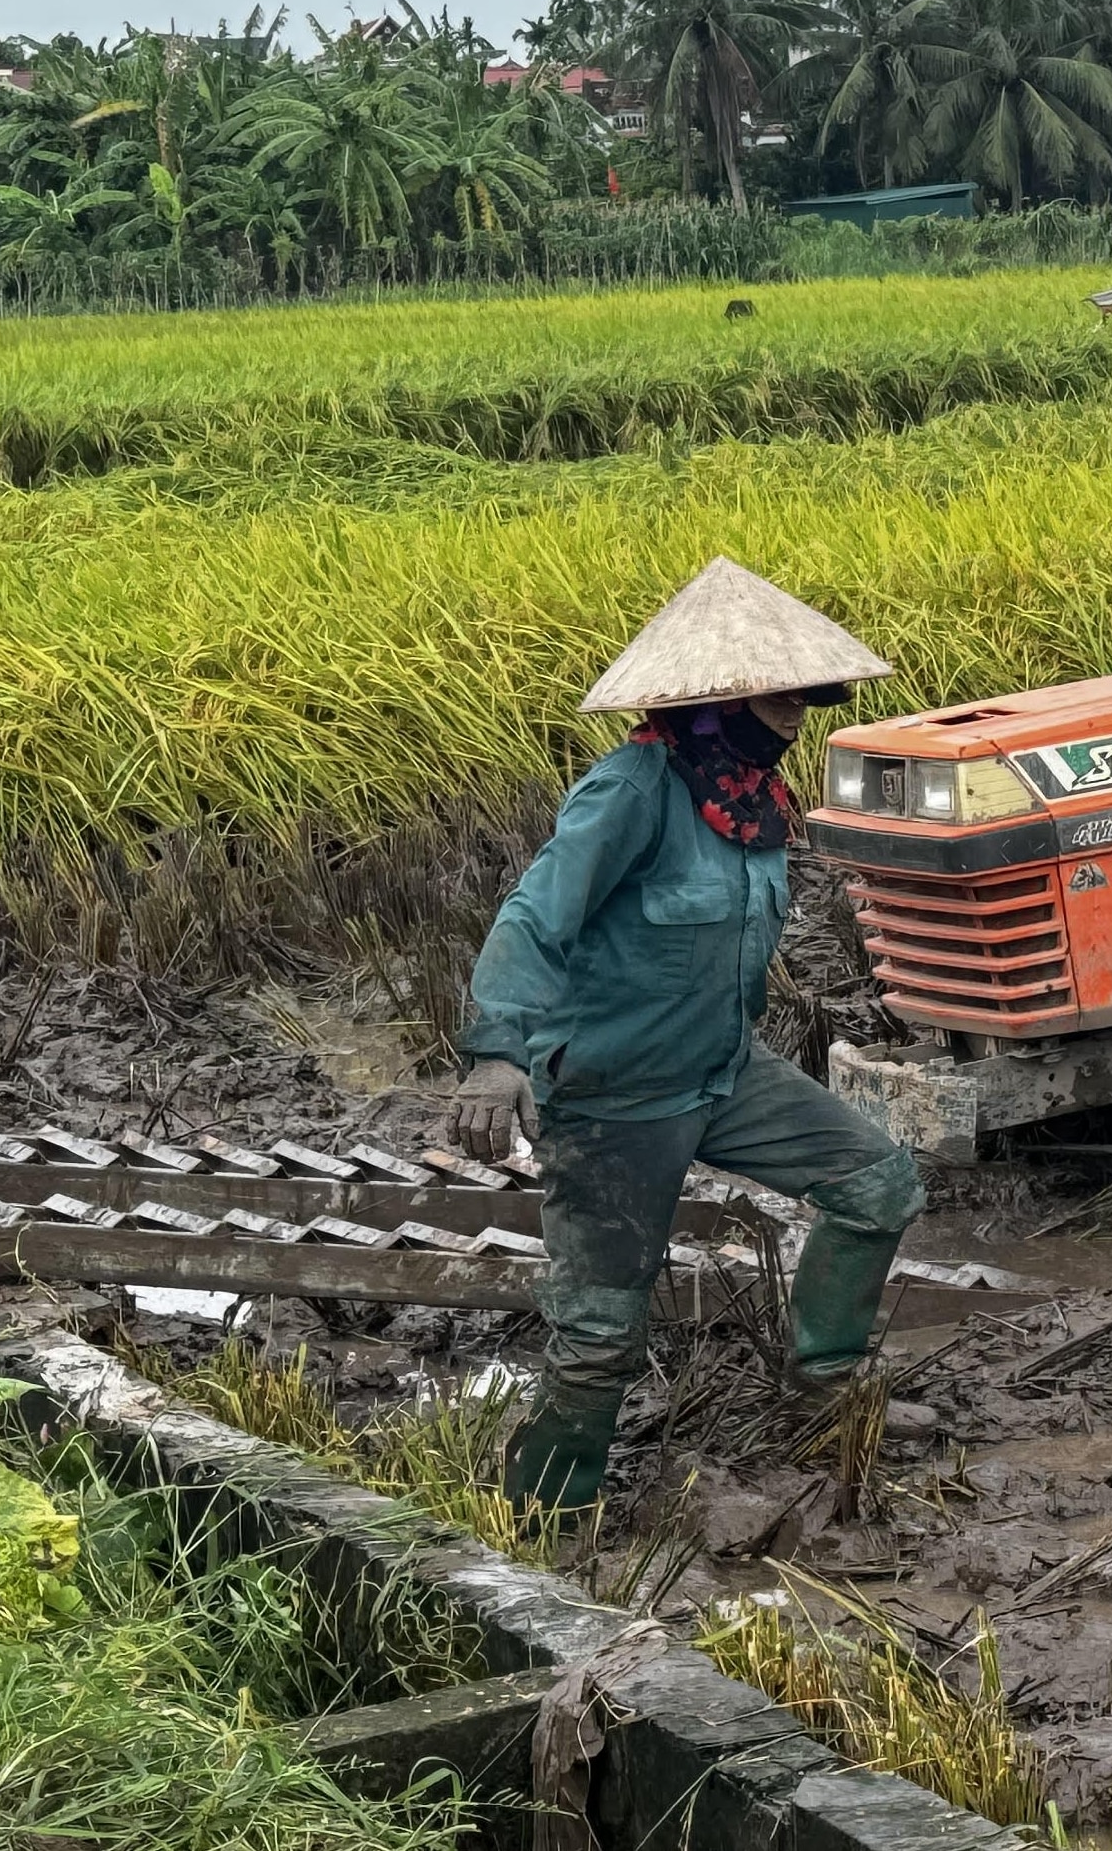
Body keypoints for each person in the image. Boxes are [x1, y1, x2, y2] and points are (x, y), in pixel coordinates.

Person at [451, 556, 920, 1515]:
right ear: (707, 704)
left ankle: (823, 1389)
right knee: (600, 1336)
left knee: (879, 1184)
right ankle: (542, 1516)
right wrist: (496, 1054)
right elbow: (534, 918)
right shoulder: (630, 793)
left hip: (724, 1073)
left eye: (801, 695)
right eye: (772, 696)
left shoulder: (750, 805)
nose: (794, 713)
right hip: (616, 1099)